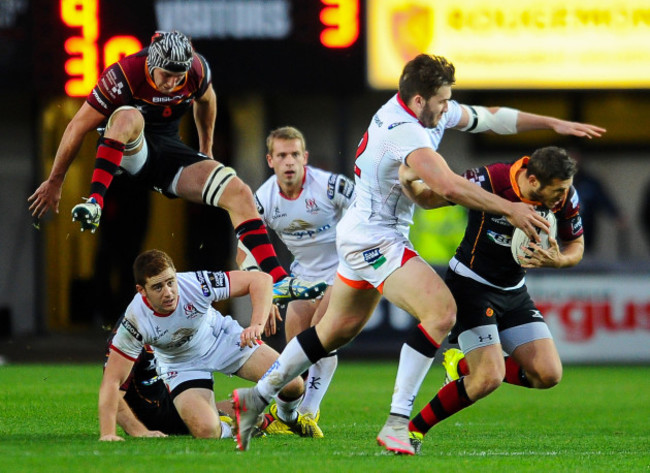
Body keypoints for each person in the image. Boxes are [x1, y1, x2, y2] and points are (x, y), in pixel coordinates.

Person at [229, 54, 603, 454]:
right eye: (443, 100)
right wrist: (511, 208)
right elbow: (451, 186)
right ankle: (397, 423)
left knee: (332, 332)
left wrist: (551, 124)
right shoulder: (405, 133)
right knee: (441, 312)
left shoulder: (420, 113)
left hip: (362, 234)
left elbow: (490, 117)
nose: (448, 108)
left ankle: (256, 397)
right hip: (377, 238)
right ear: (421, 100)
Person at [27, 30, 326, 304]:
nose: (172, 83)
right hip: (131, 149)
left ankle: (278, 279)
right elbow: (76, 127)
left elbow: (207, 101)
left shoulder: (196, 70)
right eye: (167, 75)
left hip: (169, 153)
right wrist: (56, 180)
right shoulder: (125, 74)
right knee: (128, 117)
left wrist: (205, 150)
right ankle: (95, 201)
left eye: (178, 76)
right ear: (151, 64)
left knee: (238, 190)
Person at [401, 146, 584, 453]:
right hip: (470, 287)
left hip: (513, 292)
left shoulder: (566, 197)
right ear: (534, 180)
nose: (561, 197)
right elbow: (430, 199)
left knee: (548, 375)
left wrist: (559, 261)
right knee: (488, 378)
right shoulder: (489, 179)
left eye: (565, 190)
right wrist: (409, 183)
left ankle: (460, 367)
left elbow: (575, 245)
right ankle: (411, 431)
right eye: (557, 190)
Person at [98, 249, 321, 441]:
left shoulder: (196, 284)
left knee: (293, 385)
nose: (168, 293)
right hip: (181, 364)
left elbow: (261, 280)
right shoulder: (134, 321)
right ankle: (234, 426)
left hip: (221, 339)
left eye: (170, 282)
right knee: (205, 430)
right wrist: (108, 433)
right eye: (157, 287)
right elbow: (111, 382)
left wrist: (256, 324)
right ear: (141, 291)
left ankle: (286, 418)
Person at [243, 126, 355, 437]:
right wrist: (265, 295)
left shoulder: (331, 186)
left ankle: (308, 411)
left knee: (322, 335)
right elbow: (246, 251)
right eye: (282, 155)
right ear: (270, 160)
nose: (289, 161)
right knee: (295, 347)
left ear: (304, 157)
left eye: (295, 154)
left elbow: (367, 213)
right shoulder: (263, 200)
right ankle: (286, 416)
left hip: (345, 270)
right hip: (302, 278)